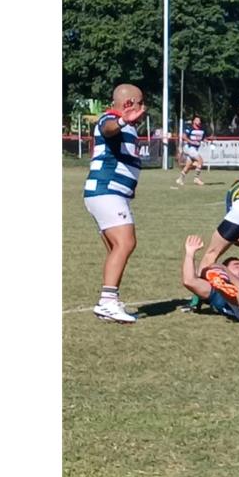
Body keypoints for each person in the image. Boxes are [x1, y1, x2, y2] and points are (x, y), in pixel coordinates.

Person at [84, 83, 147, 323]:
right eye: (141, 102)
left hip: (111, 193)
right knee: (125, 243)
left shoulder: (128, 126)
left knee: (116, 248)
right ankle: (107, 302)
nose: (144, 107)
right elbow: (108, 129)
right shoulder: (110, 119)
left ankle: (110, 301)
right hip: (106, 190)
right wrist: (122, 120)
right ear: (129, 103)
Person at [174, 115, 206, 187]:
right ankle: (196, 178)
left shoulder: (202, 130)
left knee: (188, 166)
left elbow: (203, 138)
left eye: (199, 120)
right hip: (189, 147)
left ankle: (180, 179)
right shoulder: (190, 128)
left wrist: (207, 140)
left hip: (194, 149)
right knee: (200, 160)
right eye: (197, 120)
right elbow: (184, 136)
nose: (199, 121)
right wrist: (190, 141)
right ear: (193, 121)